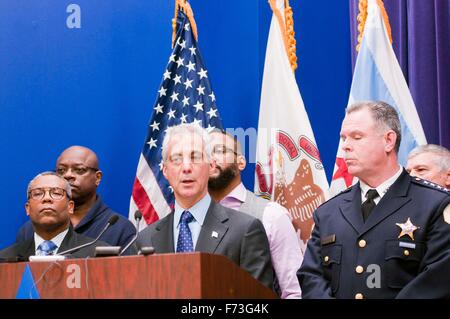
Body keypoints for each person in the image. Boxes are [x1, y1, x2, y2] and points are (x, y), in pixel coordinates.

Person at [298, 101, 450, 299]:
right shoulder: (328, 212)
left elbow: (438, 282)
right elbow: (311, 277)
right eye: (343, 138)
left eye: (356, 137)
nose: (345, 146)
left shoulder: (435, 204)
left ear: (388, 140)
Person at [135, 123, 274, 289]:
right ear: (165, 170)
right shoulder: (145, 239)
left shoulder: (245, 231)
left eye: (195, 157)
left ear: (211, 166)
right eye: (177, 159)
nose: (186, 168)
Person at [208, 130, 302, 299]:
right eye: (203, 154)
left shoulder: (271, 215)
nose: (211, 159)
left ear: (241, 162)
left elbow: (295, 291)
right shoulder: (190, 218)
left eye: (220, 151)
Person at [16, 146, 135, 248]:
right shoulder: (30, 229)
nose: (68, 175)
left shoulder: (118, 227)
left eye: (79, 170)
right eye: (61, 170)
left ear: (97, 178)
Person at [0, 172, 108, 260]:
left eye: (56, 193)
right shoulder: (5, 259)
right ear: (27, 209)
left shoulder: (96, 255)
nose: (47, 198)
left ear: (70, 207)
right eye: (38, 193)